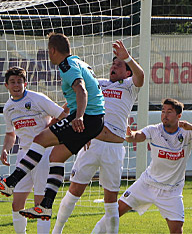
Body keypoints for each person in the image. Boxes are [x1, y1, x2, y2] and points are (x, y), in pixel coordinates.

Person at [0, 32, 105, 221]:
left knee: (40, 139)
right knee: (56, 156)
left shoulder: (66, 66)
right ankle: (45, 206)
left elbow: (81, 89)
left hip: (87, 116)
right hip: (96, 118)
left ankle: (10, 182)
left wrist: (80, 117)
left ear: (52, 50)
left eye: (48, 52)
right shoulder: (79, 62)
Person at [52, 40, 144, 234]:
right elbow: (74, 102)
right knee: (74, 191)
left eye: (119, 64)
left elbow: (141, 76)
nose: (114, 66)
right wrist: (55, 119)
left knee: (111, 201)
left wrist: (126, 56)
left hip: (114, 148)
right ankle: (57, 231)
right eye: (113, 63)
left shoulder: (129, 86)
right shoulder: (98, 84)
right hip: (91, 144)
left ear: (127, 72)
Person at [90, 98, 192, 234]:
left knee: (176, 230)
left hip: (171, 191)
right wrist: (129, 134)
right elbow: (136, 136)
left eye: (169, 112)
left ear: (179, 116)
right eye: (163, 111)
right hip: (147, 184)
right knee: (114, 212)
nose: (165, 115)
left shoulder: (187, 132)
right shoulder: (154, 130)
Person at [0, 66, 68, 234]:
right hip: (24, 154)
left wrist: (52, 134)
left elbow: (62, 116)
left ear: (26, 83)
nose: (16, 85)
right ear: (6, 85)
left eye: (19, 81)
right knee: (17, 204)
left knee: (40, 204)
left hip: (43, 154)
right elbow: (11, 133)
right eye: (12, 82)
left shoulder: (37, 98)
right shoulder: (8, 108)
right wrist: (5, 149)